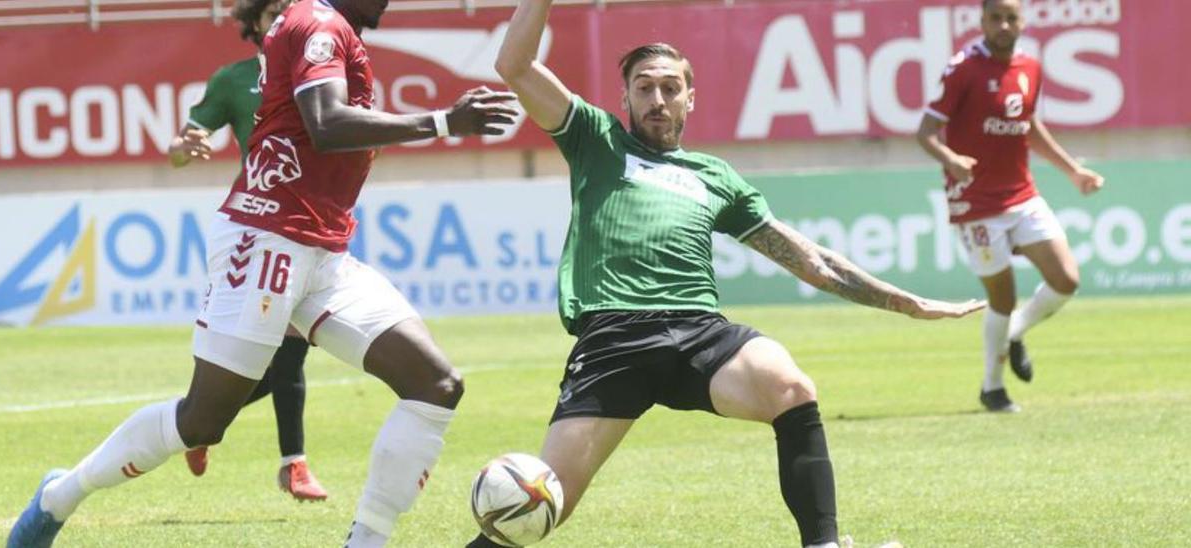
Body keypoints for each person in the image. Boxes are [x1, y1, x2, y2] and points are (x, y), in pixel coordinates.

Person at [470, 0, 985, 546]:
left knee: (790, 387)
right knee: (540, 505)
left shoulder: (715, 177)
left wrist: (902, 301)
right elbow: (515, 67)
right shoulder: (597, 141)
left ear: (691, 98)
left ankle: (824, 544)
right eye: (643, 88)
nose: (657, 99)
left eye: (670, 88)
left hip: (699, 332)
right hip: (614, 339)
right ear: (624, 98)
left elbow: (809, 258)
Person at [6, 0, 520, 545]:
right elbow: (326, 123)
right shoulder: (320, 23)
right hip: (266, 240)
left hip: (323, 252)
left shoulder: (332, 27)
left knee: (435, 385)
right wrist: (444, 121)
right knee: (202, 422)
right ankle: (58, 497)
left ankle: (366, 540)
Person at [167, 0, 328, 502]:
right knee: (287, 354)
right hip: (260, 229)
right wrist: (183, 148)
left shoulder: (320, 71)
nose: (282, 18)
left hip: (317, 226)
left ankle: (199, 421)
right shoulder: (234, 81)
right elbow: (182, 146)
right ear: (254, 22)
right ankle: (292, 464)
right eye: (272, 10)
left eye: (290, 8)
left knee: (282, 357)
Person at [916, 0, 1104, 413]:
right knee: (1002, 297)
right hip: (976, 202)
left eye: (1011, 17)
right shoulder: (963, 67)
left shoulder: (1030, 68)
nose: (1003, 25)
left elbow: (1029, 126)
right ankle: (992, 387)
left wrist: (1073, 171)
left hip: (1021, 194)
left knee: (1066, 278)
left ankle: (1015, 332)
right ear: (982, 22)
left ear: (1022, 21)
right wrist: (950, 160)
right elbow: (926, 130)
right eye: (995, 17)